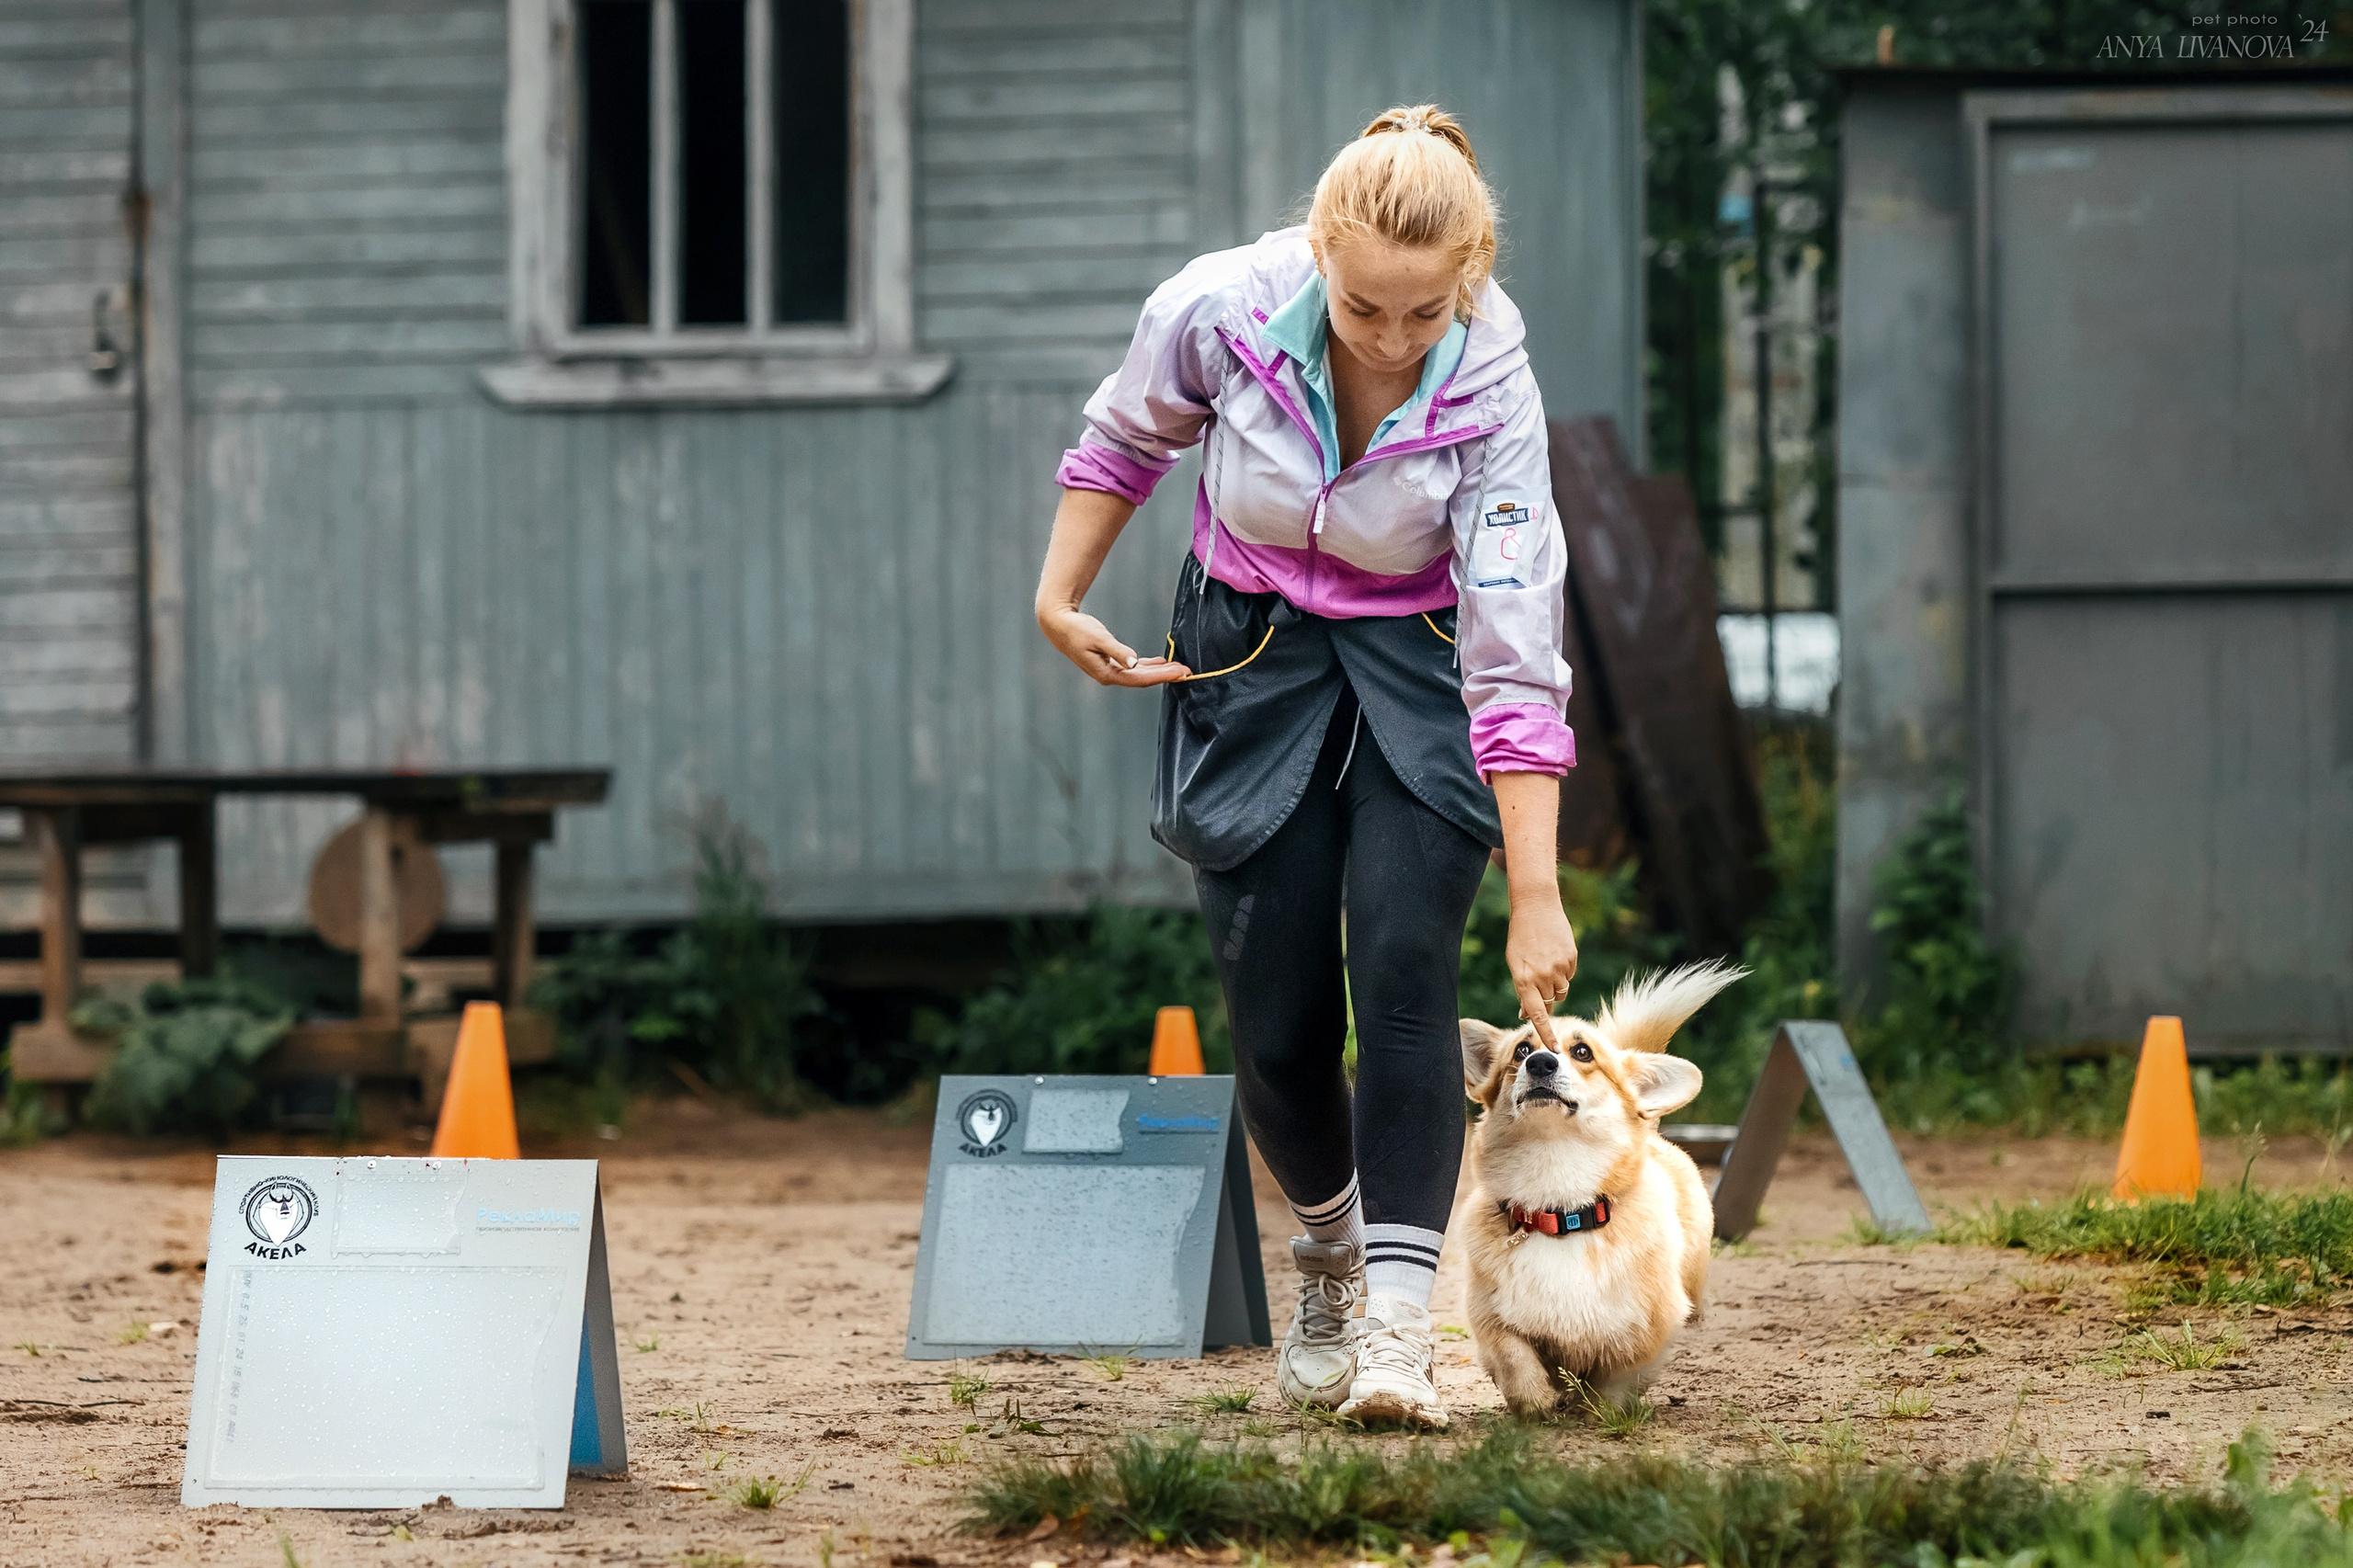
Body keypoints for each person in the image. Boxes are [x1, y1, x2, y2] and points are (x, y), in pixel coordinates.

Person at [1033, 105, 1578, 1429]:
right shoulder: (1217, 310)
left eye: (1423, 314)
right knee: (1274, 1019)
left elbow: (1516, 635)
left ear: (1472, 273)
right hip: (1249, 646)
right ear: (1317, 250)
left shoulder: (1495, 379)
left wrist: (1540, 887)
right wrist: (1061, 597)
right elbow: (1127, 438)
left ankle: (1401, 1325)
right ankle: (1329, 1255)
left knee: (1402, 973)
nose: (1392, 339)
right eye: (1363, 308)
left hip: (1424, 652)